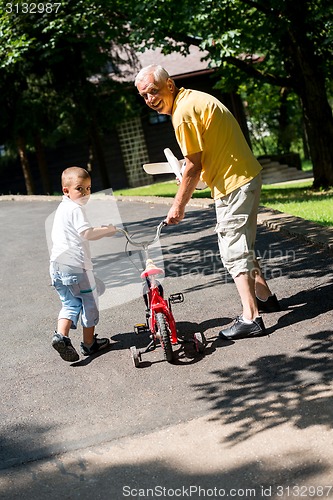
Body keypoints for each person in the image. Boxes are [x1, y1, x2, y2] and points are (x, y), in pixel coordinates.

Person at [135, 65, 280, 340]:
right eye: (144, 96)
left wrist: (178, 206)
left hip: (234, 183)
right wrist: (192, 177)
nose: (150, 99)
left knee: (232, 250)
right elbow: (201, 162)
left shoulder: (183, 113)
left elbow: (193, 164)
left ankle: (251, 318)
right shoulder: (191, 101)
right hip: (239, 178)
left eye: (153, 91)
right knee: (241, 243)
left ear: (170, 85)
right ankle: (265, 297)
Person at [49, 166, 116, 361]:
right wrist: (106, 230)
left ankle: (61, 336)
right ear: (66, 191)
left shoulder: (62, 208)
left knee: (69, 303)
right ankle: (89, 344)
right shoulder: (76, 209)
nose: (86, 193)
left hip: (56, 266)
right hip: (76, 266)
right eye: (80, 188)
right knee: (89, 302)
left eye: (88, 188)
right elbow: (86, 233)